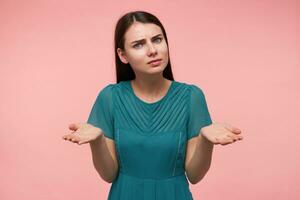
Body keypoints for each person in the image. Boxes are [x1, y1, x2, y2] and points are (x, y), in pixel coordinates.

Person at [62, 10, 243, 200]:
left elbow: (195, 176)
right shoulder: (109, 97)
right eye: (139, 44)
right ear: (123, 55)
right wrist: (97, 141)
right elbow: (108, 175)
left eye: (157, 40)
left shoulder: (192, 96)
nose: (152, 50)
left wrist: (205, 141)